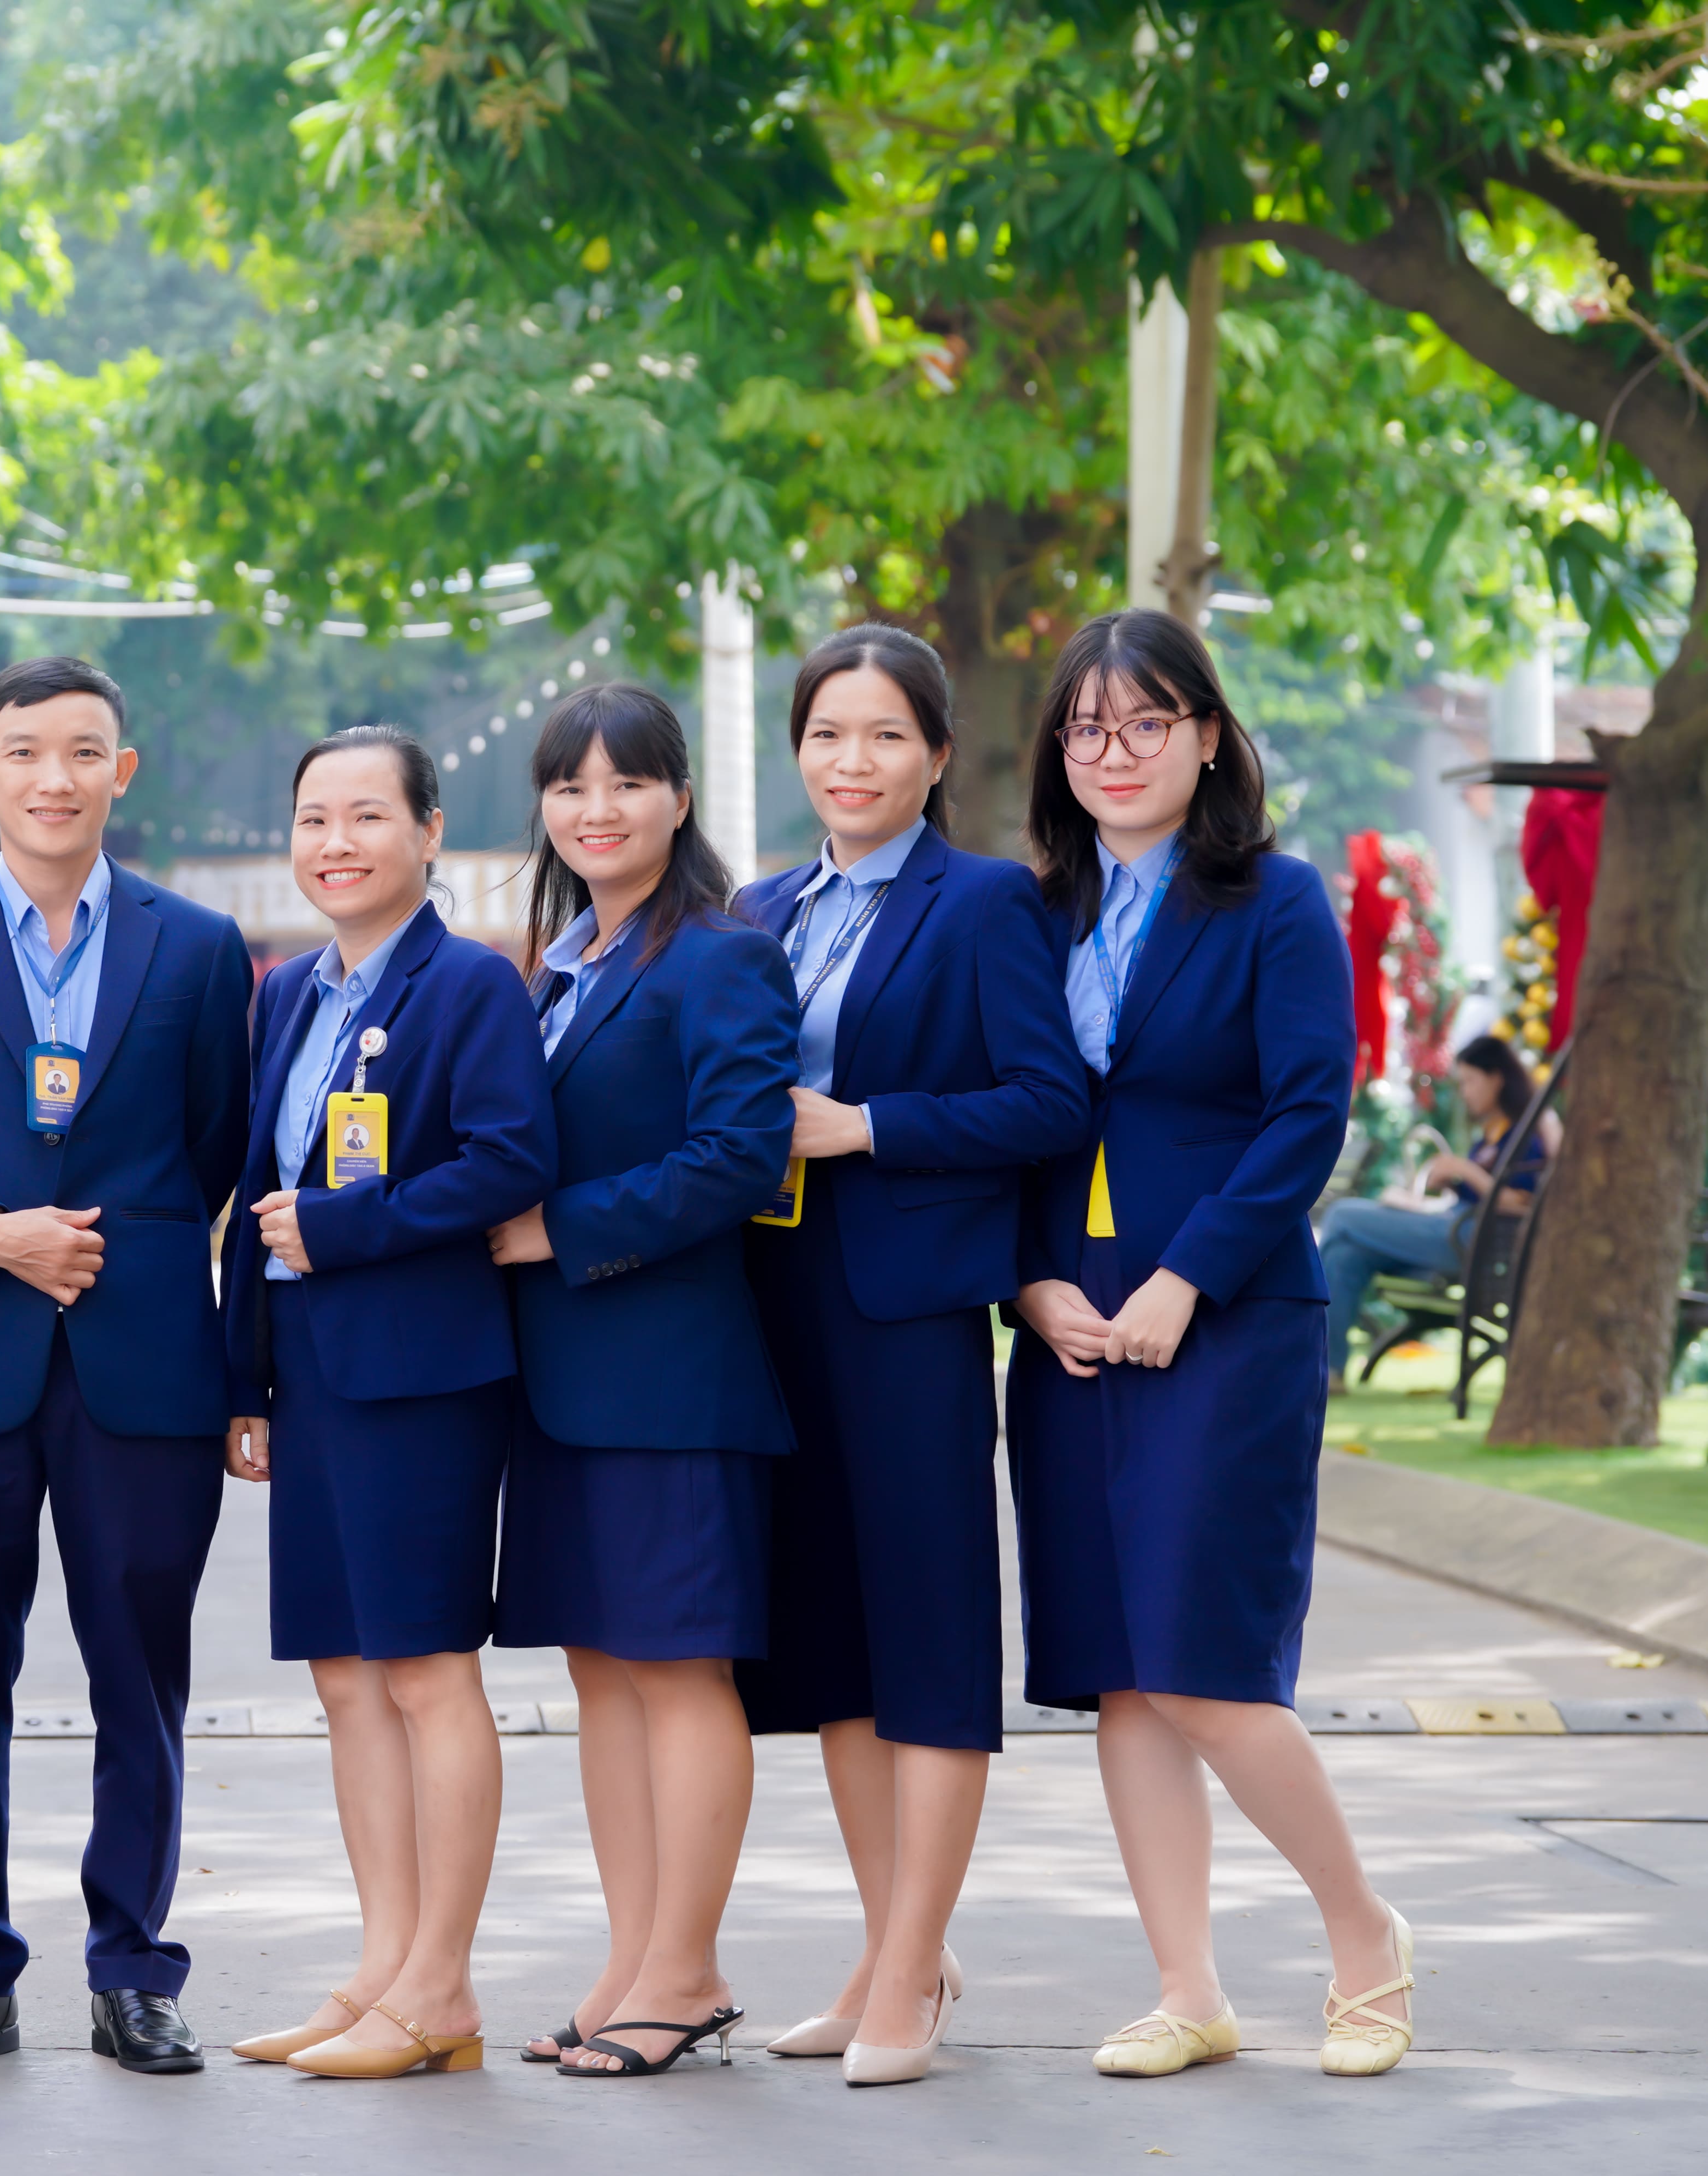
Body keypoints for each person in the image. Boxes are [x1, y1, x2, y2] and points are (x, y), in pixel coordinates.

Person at [1004, 607, 1413, 2081]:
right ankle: (1187, 1989)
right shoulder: (1030, 912)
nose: (1112, 751)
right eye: (1085, 727)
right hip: (1067, 1326)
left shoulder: (1274, 900)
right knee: (1120, 1673)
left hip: (1226, 1317)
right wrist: (1025, 1285)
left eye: (1144, 722)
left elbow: (1308, 1114)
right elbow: (1006, 1121)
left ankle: (1362, 1932)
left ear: (1207, 736)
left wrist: (1186, 1277)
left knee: (1202, 1666)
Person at [0, 655, 254, 2077]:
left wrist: (117, 1247)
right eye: (24, 751)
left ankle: (134, 1969)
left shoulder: (199, 948)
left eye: (83, 750)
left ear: (120, 771)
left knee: (142, 1677)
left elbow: (214, 1147)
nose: (53, 777)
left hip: (145, 1362)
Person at [726, 627, 1092, 2086]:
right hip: (771, 1302)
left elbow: (1047, 1101)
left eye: (885, 735)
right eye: (827, 734)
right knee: (835, 1648)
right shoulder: (758, 908)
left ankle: (911, 1972)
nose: (852, 761)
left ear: (936, 755)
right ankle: (892, 1953)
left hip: (906, 1311)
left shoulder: (986, 902)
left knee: (928, 1638)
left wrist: (866, 1127)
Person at [216, 729, 553, 2080]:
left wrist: (348, 1230)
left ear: (428, 833)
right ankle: (381, 1971)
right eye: (314, 817)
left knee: (423, 1670)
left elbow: (512, 1160)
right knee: (346, 1677)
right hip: (311, 1369)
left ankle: (442, 1988)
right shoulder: (290, 994)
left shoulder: (468, 984)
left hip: (420, 1370)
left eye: (367, 815)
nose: (336, 842)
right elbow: (260, 1194)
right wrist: (246, 1376)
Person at [483, 684, 796, 2081]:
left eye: (625, 782)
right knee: (603, 1677)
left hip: (671, 1378)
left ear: (679, 796)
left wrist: (558, 1229)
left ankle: (686, 1970)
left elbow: (741, 1155)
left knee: (677, 1675)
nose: (595, 809)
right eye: (569, 786)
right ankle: (632, 1960)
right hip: (562, 1379)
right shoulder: (561, 967)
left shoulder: (722, 957)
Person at [1317, 1032, 1554, 1387]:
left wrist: (1466, 1171)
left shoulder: (1526, 1134)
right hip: (1451, 1227)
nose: (1464, 1092)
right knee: (1345, 1255)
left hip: (1474, 1241)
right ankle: (1326, 1372)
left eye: (1470, 1081)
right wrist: (1448, 1184)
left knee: (1341, 1215)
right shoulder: (1490, 1134)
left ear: (1497, 1078)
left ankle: (1292, 1339)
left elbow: (1525, 1204)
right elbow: (1474, 1191)